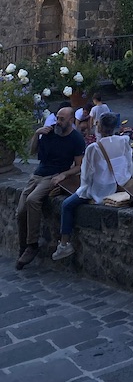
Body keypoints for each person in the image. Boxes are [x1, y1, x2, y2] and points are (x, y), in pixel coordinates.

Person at [51, 111, 133, 261]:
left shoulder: (94, 148)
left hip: (100, 189)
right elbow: (128, 165)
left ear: (99, 127)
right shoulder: (124, 141)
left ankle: (64, 244)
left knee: (67, 205)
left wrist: (84, 191)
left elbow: (87, 175)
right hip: (119, 184)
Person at [16, 105, 86, 269]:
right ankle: (23, 246)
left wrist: (64, 175)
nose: (58, 122)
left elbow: (79, 166)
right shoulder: (49, 133)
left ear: (70, 120)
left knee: (33, 200)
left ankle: (32, 244)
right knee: (20, 211)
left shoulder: (76, 139)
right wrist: (37, 134)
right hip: (38, 174)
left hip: (54, 176)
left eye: (62, 119)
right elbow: (33, 152)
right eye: (58, 118)